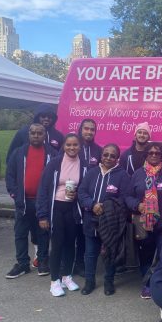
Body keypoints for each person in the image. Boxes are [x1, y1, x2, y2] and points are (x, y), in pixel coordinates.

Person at [125, 142, 162, 299]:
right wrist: (138, 205)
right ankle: (148, 283)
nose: (154, 155)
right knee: (146, 255)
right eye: (151, 153)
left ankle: (161, 282)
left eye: (157, 153)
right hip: (143, 224)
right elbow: (127, 197)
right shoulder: (138, 174)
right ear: (146, 155)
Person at [5, 123, 58, 278]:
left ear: (44, 135)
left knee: (42, 232)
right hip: (23, 201)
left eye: (39, 133)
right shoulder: (18, 153)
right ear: (28, 134)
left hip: (43, 203)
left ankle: (42, 261)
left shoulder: (52, 154)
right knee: (20, 233)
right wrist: (14, 194)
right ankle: (22, 264)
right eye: (33, 133)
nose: (36, 135)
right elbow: (10, 176)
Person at [36, 133, 86, 296]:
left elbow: (86, 188)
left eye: (75, 145)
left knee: (71, 243)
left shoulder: (84, 165)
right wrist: (42, 215)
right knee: (57, 244)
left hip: (72, 208)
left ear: (80, 147)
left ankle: (66, 277)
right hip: (56, 207)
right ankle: (54, 281)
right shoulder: (55, 163)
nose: (72, 148)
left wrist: (78, 194)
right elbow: (43, 189)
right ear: (64, 146)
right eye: (69, 145)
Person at [78, 144, 130, 296]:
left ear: (117, 159)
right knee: (90, 253)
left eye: (112, 156)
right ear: (101, 155)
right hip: (91, 221)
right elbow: (82, 192)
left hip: (110, 223)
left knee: (110, 253)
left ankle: (109, 281)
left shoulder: (122, 175)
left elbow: (124, 198)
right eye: (105, 154)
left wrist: (107, 207)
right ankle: (89, 282)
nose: (108, 158)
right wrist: (92, 205)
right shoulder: (92, 172)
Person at [73, 119, 103, 277]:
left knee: (85, 233)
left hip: (88, 198)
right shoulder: (72, 147)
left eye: (92, 129)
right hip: (71, 197)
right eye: (86, 128)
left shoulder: (98, 151)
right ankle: (70, 263)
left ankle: (81, 264)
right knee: (72, 231)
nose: (89, 132)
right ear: (80, 129)